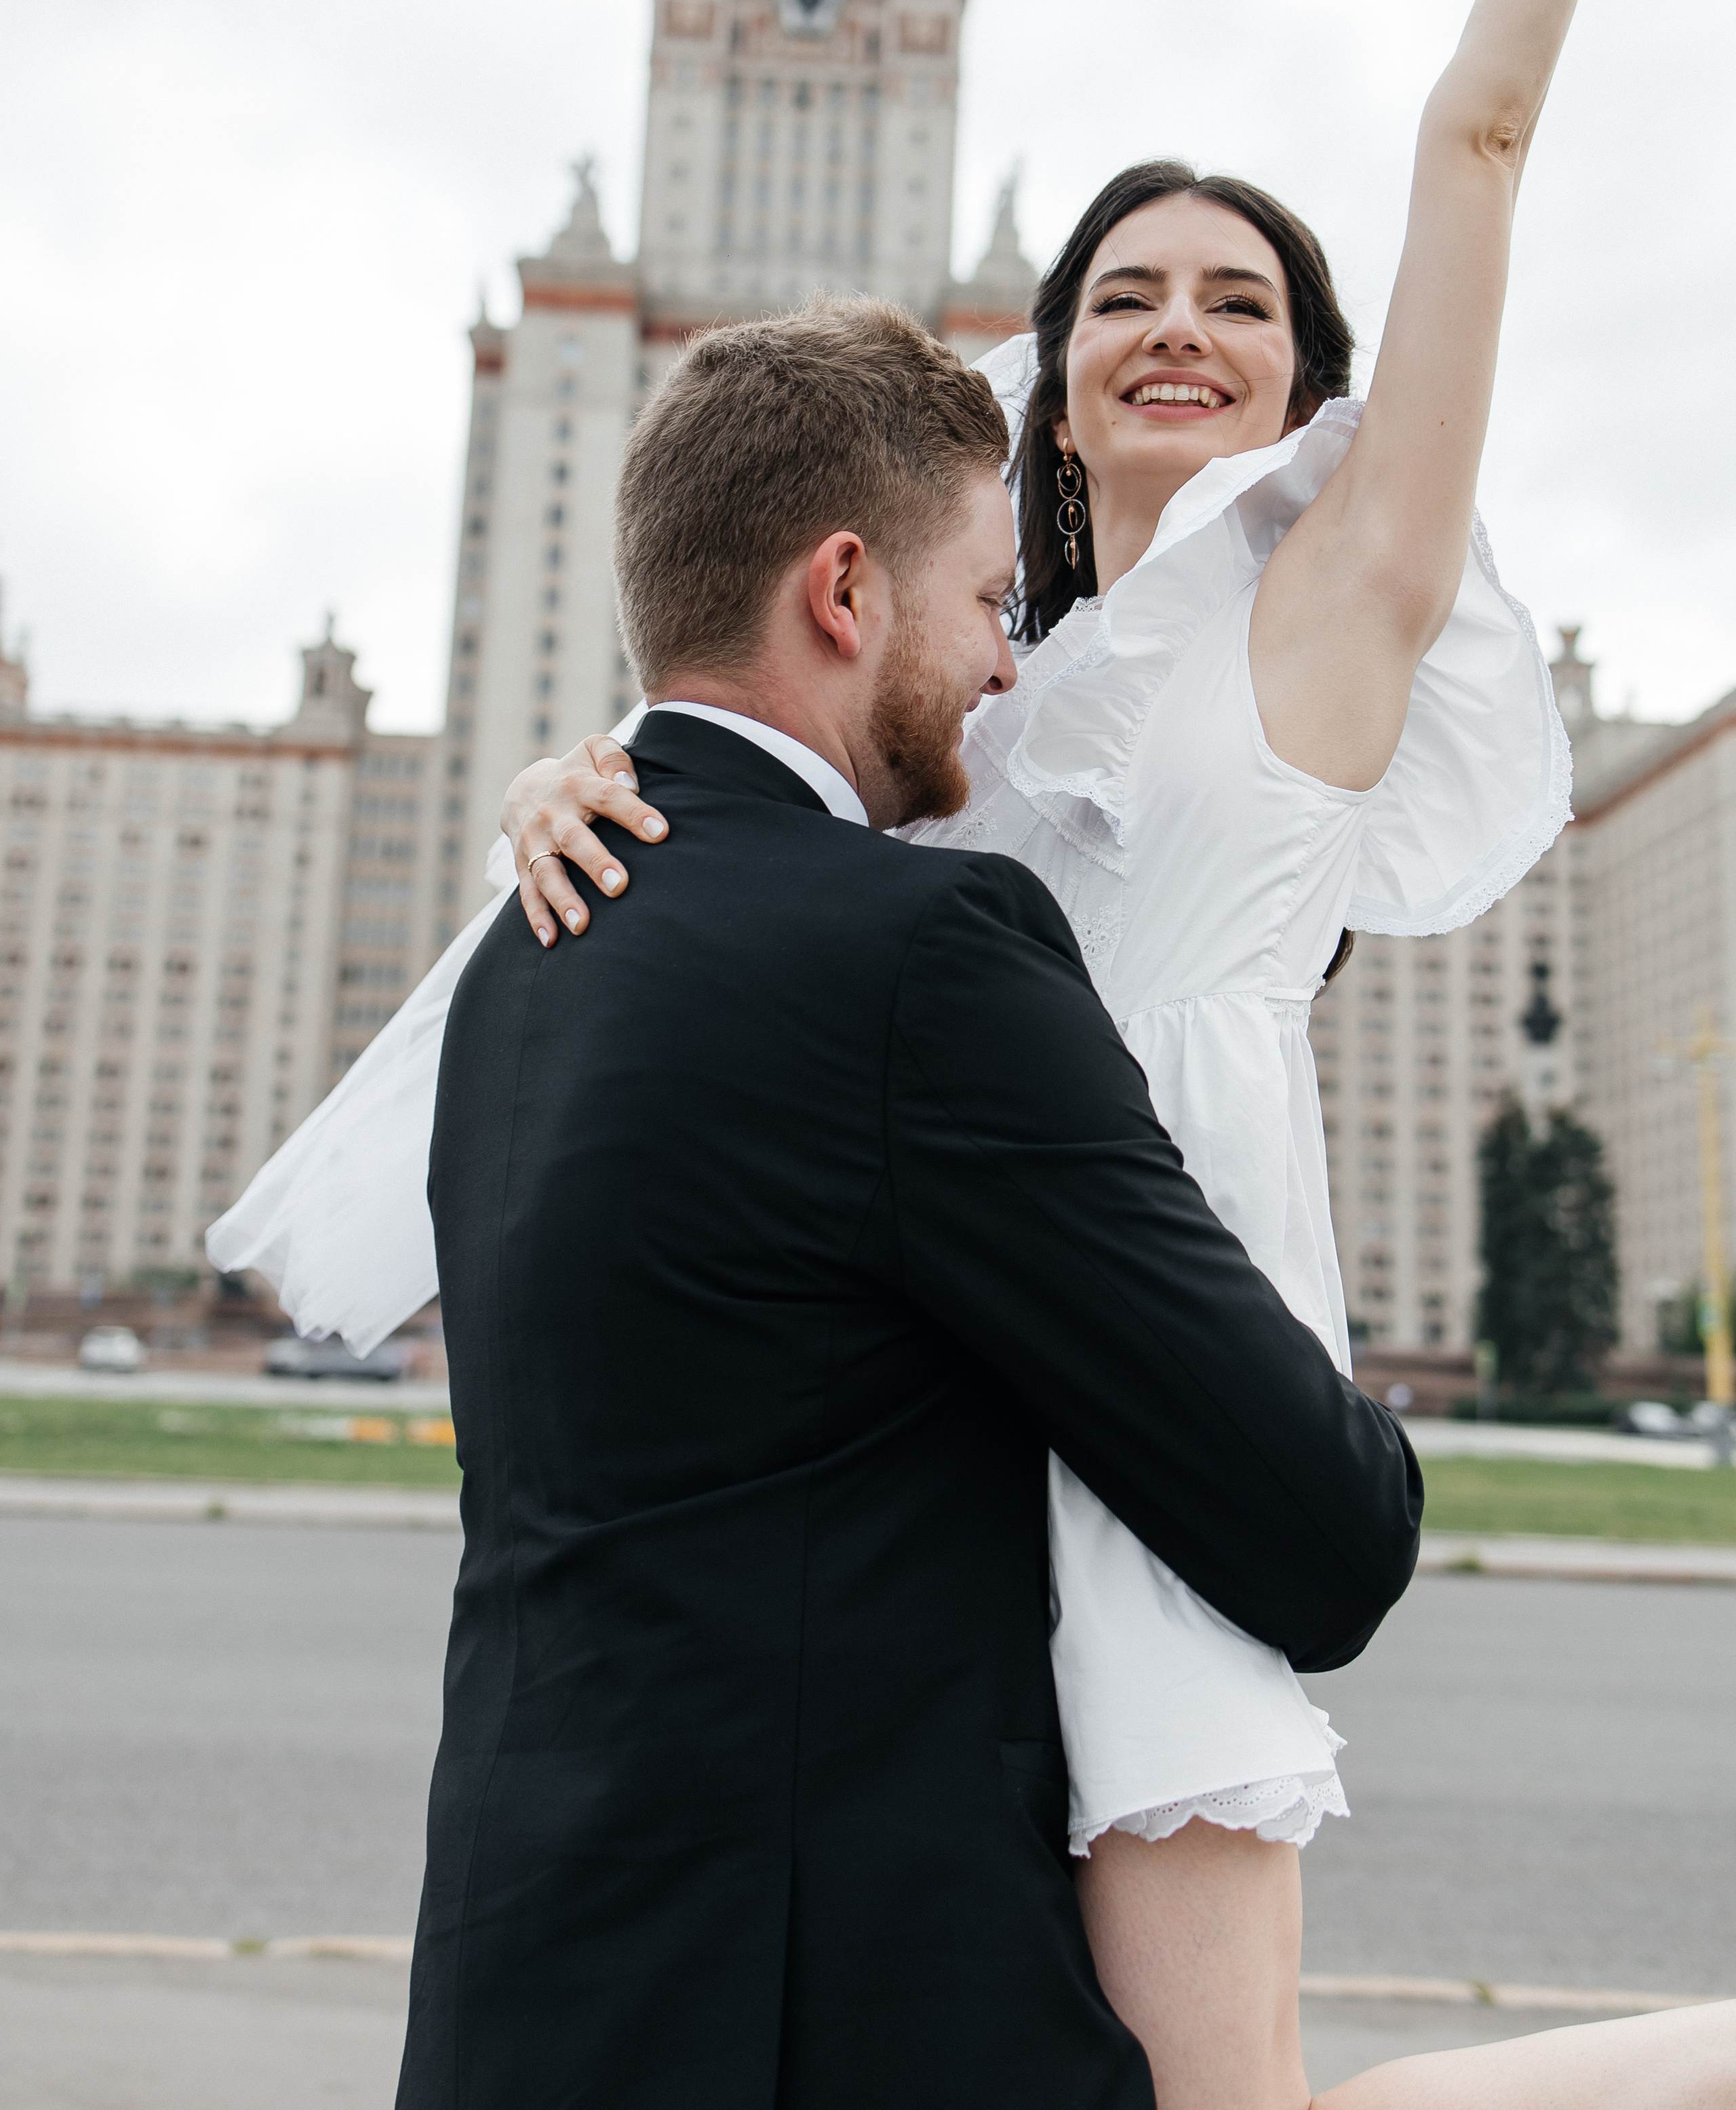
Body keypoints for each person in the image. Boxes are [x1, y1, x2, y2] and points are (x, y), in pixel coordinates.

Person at [496, 0, 1736, 2110]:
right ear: (1038, 395)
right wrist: (575, 764)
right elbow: (762, 830)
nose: (1184, 324)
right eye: (1126, 299)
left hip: (1175, 1393)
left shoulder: (1331, 608)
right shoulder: (979, 702)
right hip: (926, 1423)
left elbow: (1476, 133)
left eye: (1244, 302)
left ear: (1307, 386)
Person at [393, 307, 1421, 2110]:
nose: (1008, 670)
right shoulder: (921, 955)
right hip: (832, 2025)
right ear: (847, 592)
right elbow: (1326, 1532)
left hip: (526, 2004)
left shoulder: (524, 950)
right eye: (988, 605)